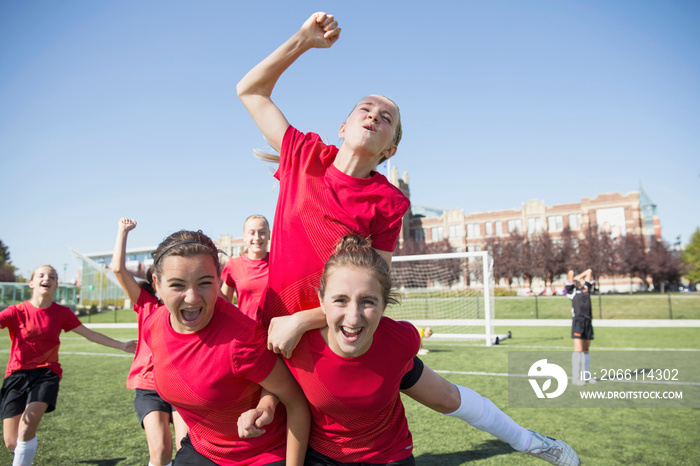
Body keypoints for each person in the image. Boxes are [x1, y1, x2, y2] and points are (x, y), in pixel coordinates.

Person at [236, 12, 579, 466]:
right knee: (261, 426)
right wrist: (302, 41)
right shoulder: (303, 154)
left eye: (387, 118)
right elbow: (250, 90)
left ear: (390, 149)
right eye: (365, 109)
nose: (374, 115)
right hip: (276, 329)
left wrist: (304, 320)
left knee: (438, 396)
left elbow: (376, 285)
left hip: (338, 325)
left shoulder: (388, 201)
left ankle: (529, 441)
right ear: (343, 126)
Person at [142, 229, 310, 466]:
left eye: (204, 283)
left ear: (218, 278)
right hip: (202, 451)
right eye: (178, 285)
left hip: (262, 456)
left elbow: (296, 402)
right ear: (157, 285)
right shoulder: (153, 326)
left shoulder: (242, 340)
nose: (192, 297)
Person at [0, 265, 136, 466]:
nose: (47, 278)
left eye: (52, 276)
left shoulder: (61, 313)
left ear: (55, 285)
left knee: (26, 429)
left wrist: (122, 345)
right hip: (16, 375)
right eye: (41, 275)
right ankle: (25, 451)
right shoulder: (16, 312)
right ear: (31, 283)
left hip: (46, 373)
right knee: (12, 442)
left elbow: (90, 334)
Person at [111, 218, 188, 466]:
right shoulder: (146, 304)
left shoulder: (190, 307)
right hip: (149, 386)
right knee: (161, 451)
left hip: (182, 384)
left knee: (185, 449)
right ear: (156, 280)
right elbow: (118, 270)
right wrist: (122, 232)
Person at [220, 215, 270, 320]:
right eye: (252, 233)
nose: (257, 237)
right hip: (248, 332)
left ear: (269, 235)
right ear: (244, 236)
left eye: (262, 232)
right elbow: (224, 301)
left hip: (276, 332)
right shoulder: (233, 264)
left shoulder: (278, 262)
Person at [565, 269, 595, 386]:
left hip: (588, 321)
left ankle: (585, 375)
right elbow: (571, 272)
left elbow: (589, 271)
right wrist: (575, 278)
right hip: (578, 322)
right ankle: (576, 377)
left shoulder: (586, 288)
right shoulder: (571, 291)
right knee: (578, 349)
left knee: (586, 349)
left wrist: (580, 276)